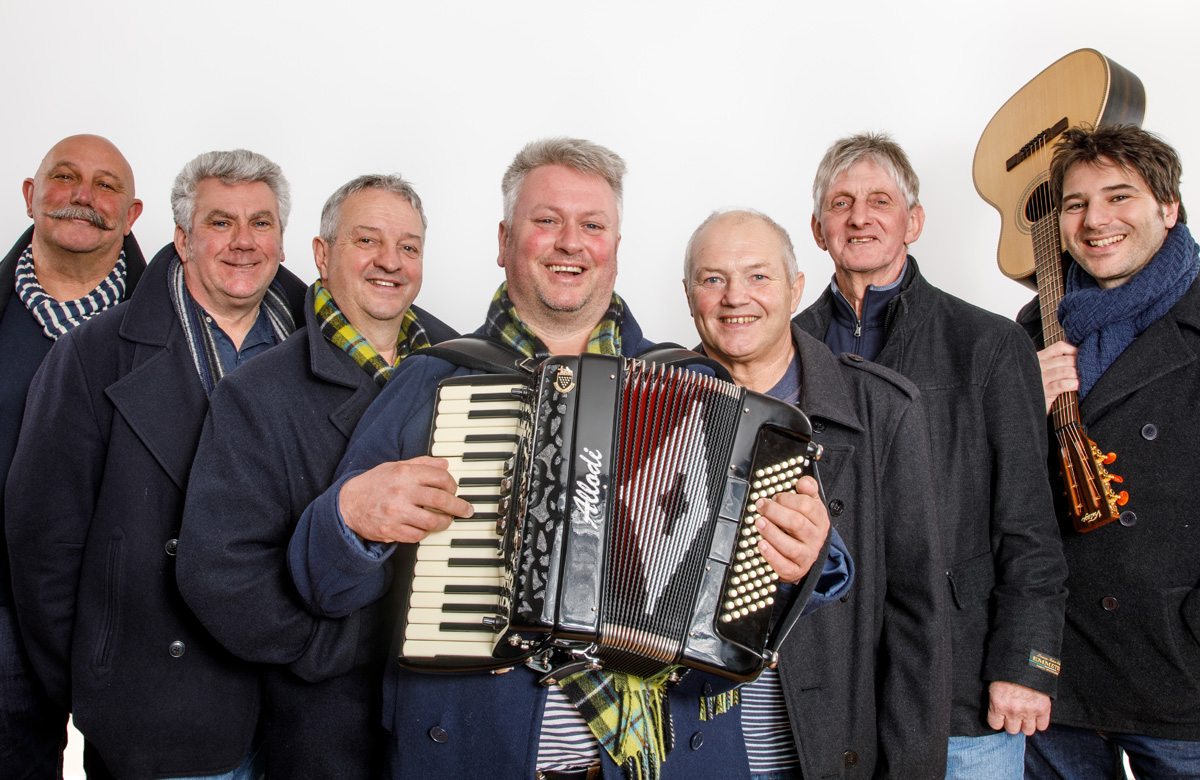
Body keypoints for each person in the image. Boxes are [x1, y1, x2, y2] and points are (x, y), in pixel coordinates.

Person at [288, 138, 843, 779]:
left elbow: (821, 564)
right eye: (546, 220)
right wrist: (349, 516)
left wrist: (809, 552)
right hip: (478, 756)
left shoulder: (702, 386)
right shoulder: (435, 381)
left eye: (593, 225)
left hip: (673, 762)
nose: (570, 242)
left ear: (614, 246)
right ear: (503, 241)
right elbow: (322, 586)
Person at [6, 149, 308, 780]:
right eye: (221, 222)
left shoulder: (320, 343)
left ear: (283, 238)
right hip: (158, 709)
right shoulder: (92, 353)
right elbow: (43, 546)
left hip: (300, 705)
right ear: (182, 237)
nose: (243, 242)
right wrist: (98, 685)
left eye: (261, 223)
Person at [795, 132, 1069, 779]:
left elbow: (1030, 523)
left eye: (880, 201)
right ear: (817, 228)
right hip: (825, 683)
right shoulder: (785, 350)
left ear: (912, 221)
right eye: (841, 203)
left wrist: (1025, 662)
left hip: (963, 682)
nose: (859, 217)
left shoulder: (990, 345)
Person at [176, 174, 457, 778]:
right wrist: (337, 648)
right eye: (367, 240)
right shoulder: (257, 391)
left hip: (451, 717)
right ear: (322, 255)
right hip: (327, 725)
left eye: (409, 247)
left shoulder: (465, 370)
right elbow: (217, 577)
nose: (390, 262)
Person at [683, 208, 947, 778]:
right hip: (685, 748)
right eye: (712, 279)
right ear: (688, 294)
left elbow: (916, 619)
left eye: (758, 276)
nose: (736, 298)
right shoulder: (647, 405)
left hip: (821, 749)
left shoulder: (883, 410)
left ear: (796, 288)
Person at [1020, 124, 1200, 779]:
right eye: (1075, 204)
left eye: (1119, 196)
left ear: (1168, 207)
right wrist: (1021, 410)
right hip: (1058, 675)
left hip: (1181, 679)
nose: (1096, 220)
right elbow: (998, 499)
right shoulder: (1032, 328)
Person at [0, 134, 145, 779]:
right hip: (2, 610)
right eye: (64, 178)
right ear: (31, 196)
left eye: (107, 185)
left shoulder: (175, 316)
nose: (84, 197)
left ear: (133, 214)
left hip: (131, 612)